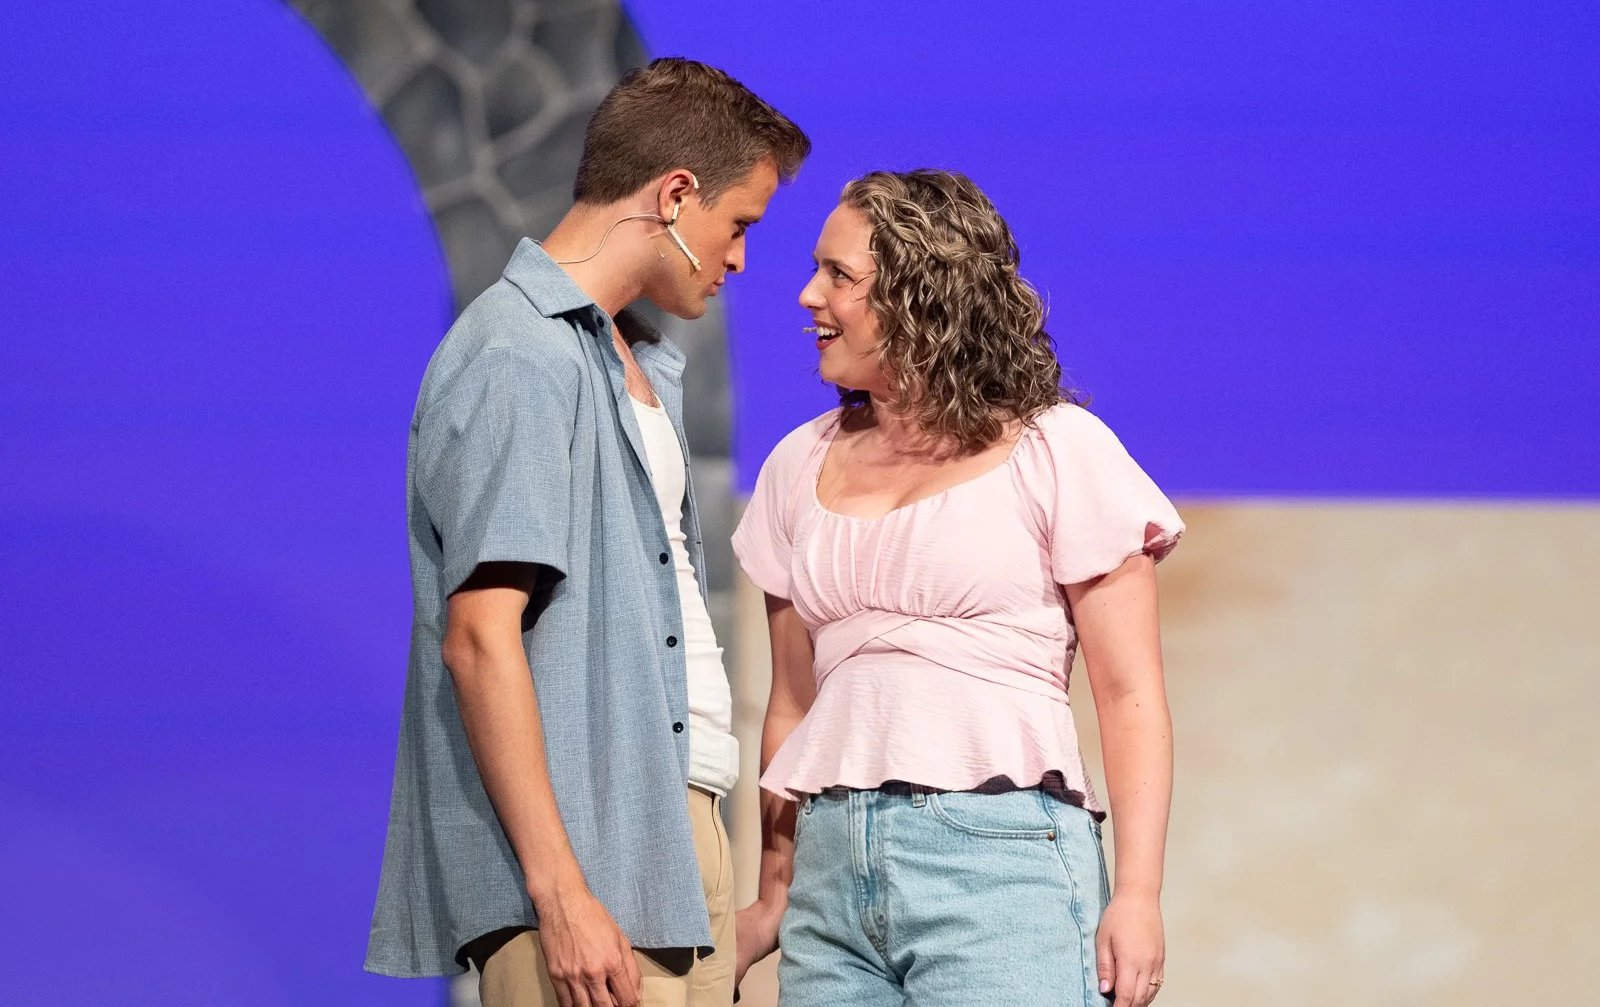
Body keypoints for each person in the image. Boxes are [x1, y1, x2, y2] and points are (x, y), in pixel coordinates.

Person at [365, 57, 810, 1007]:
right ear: (676, 194)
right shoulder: (517, 352)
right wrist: (561, 890)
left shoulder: (628, 355)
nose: (740, 260)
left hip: (673, 831)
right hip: (586, 856)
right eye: (738, 227)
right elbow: (480, 636)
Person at [730, 170, 1181, 1007]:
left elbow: (1129, 696)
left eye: (839, 275)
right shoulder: (797, 465)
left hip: (998, 862)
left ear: (919, 296)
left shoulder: (1059, 450)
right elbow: (791, 708)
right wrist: (775, 892)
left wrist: (1139, 893)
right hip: (832, 873)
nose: (807, 294)